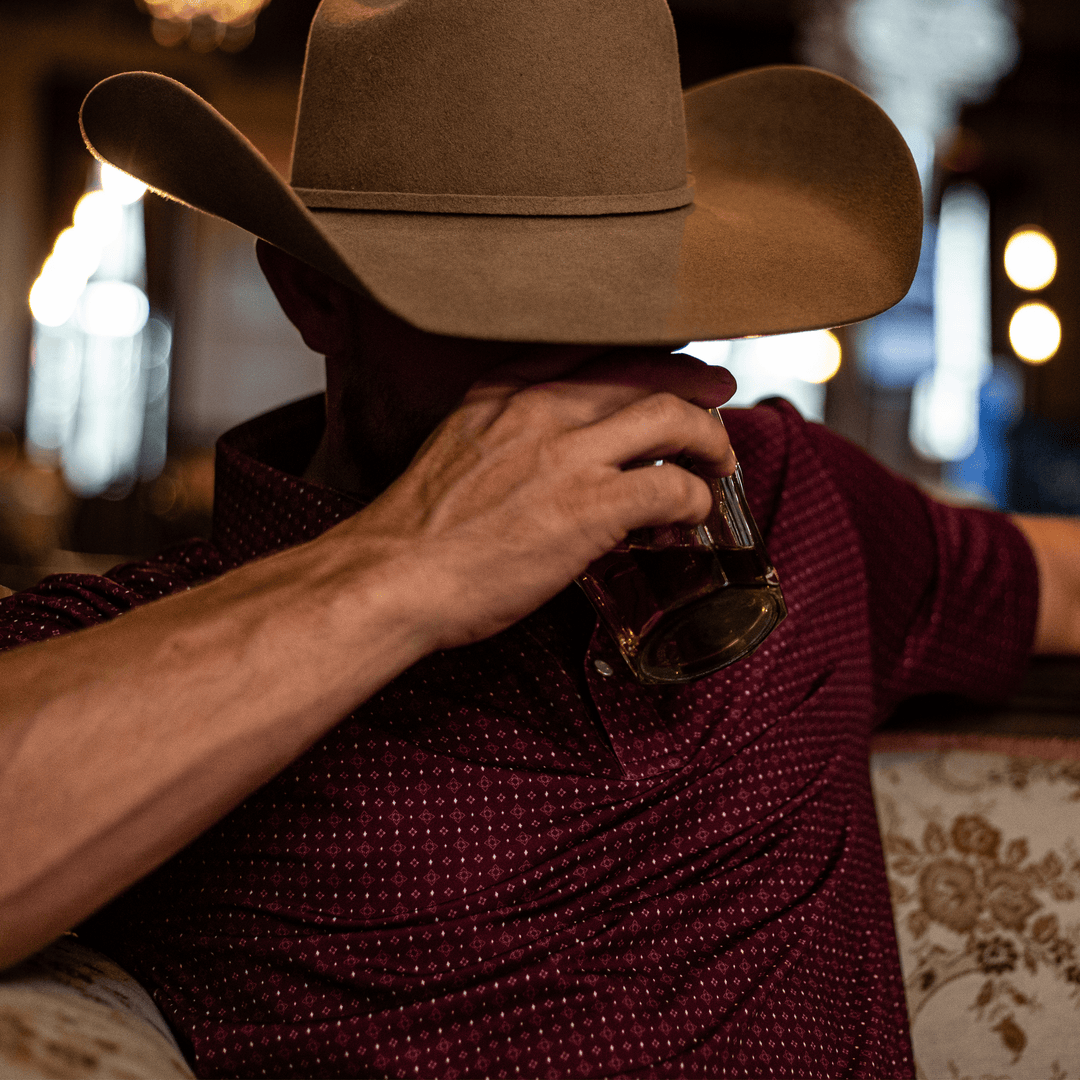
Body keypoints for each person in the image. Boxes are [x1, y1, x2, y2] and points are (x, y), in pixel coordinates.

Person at [1, 1, 1078, 1076]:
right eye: (497, 307)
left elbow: (1062, 583)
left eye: (636, 303)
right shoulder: (125, 636)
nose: (584, 372)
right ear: (315, 295)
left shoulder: (789, 495)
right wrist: (408, 567)